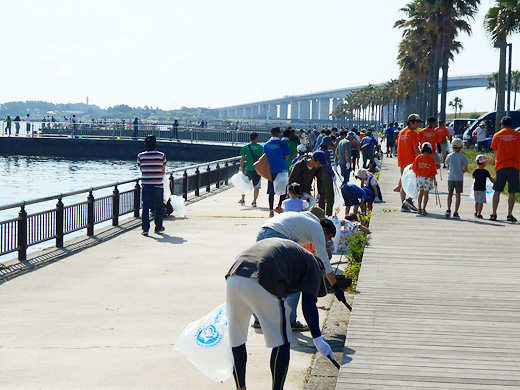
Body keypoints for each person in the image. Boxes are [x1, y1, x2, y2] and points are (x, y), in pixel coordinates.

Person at [225, 238, 336, 390]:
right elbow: (308, 304)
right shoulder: (313, 265)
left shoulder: (295, 254)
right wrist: (318, 338)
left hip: (234, 275)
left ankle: (240, 387)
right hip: (263, 276)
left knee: (237, 339)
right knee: (282, 341)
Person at [255, 207, 345, 331]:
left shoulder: (303, 220)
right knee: (296, 281)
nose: (326, 241)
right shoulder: (317, 227)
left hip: (263, 232)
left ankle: (258, 319)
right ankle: (290, 321)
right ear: (325, 230)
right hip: (277, 236)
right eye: (328, 238)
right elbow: (324, 261)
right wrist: (335, 286)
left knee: (266, 278)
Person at [490, 116, 520, 222]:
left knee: (497, 190)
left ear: (502, 124)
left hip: (501, 165)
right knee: (512, 191)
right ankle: (509, 214)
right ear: (512, 125)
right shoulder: (518, 135)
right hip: (514, 165)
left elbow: (495, 149)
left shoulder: (497, 135)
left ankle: (494, 214)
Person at [137, 135, 166, 235]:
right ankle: (158, 227)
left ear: (145, 144)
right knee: (159, 206)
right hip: (158, 185)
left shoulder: (140, 156)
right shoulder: (161, 156)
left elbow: (141, 169)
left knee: (145, 207)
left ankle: (145, 229)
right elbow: (163, 171)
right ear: (155, 144)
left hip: (146, 185)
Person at [397, 114, 421, 212]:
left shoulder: (401, 132)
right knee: (416, 182)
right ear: (411, 122)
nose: (418, 125)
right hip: (412, 162)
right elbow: (416, 148)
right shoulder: (413, 134)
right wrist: (421, 158)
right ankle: (409, 200)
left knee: (404, 182)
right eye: (416, 123)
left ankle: (404, 204)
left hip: (402, 161)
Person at [264, 127, 290, 217]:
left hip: (270, 170)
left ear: (271, 134)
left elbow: (264, 157)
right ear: (279, 133)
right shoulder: (283, 144)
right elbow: (287, 157)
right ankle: (279, 206)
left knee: (271, 191)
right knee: (283, 190)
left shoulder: (266, 144)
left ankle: (271, 210)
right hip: (281, 170)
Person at [444, 138, 469, 219]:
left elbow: (448, 166)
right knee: (458, 195)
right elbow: (466, 168)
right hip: (459, 178)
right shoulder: (463, 156)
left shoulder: (449, 156)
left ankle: (448, 209)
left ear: (453, 147)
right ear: (461, 147)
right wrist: (461, 172)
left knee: (450, 194)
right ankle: (456, 212)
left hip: (450, 177)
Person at [412, 142, 438, 216]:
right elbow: (433, 171)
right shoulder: (431, 159)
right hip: (428, 178)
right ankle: (424, 209)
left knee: (420, 193)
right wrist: (435, 180)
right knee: (426, 194)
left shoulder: (418, 157)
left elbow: (414, 168)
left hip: (419, 177)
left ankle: (419, 208)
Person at [239, 132, 263, 207]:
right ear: (256, 138)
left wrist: (241, 168)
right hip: (257, 169)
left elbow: (242, 159)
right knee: (256, 186)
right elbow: (263, 158)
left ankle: (242, 199)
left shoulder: (245, 147)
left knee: (244, 184)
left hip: (248, 168)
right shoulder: (260, 147)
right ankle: (254, 201)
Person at [472, 154, 494, 219]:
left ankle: (476, 212)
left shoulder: (475, 170)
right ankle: (479, 213)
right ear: (483, 163)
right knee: (481, 202)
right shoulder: (485, 171)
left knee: (477, 201)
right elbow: (490, 178)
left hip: (476, 188)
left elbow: (473, 176)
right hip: (482, 188)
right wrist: (494, 182)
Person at [318, 136, 335, 216]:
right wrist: (333, 174)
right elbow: (327, 165)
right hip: (327, 176)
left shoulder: (318, 151)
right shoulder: (327, 153)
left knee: (321, 197)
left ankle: (321, 215)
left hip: (319, 176)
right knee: (330, 198)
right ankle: (329, 215)